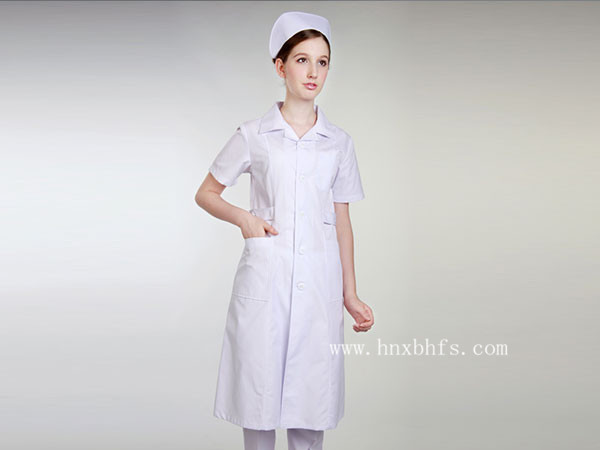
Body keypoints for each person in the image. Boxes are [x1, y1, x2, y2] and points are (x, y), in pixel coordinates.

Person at [195, 11, 374, 450]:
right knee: (258, 406)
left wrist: (350, 294)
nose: (313, 72)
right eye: (301, 60)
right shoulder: (254, 134)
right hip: (267, 279)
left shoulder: (339, 142)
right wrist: (245, 219)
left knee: (310, 408)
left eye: (322, 62)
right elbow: (207, 193)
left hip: (319, 285)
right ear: (280, 67)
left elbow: (342, 221)